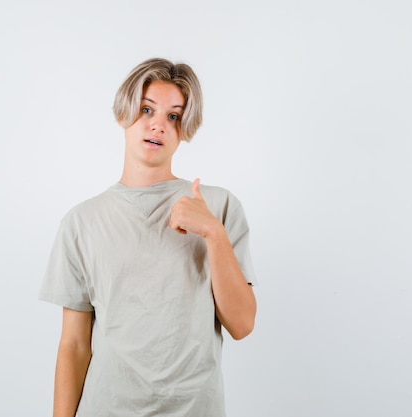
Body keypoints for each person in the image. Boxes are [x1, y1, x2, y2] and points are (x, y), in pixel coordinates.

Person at [39, 58, 257, 417]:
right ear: (123, 113)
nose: (158, 125)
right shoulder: (81, 222)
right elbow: (75, 345)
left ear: (185, 128)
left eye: (174, 116)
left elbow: (242, 324)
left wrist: (213, 234)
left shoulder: (218, 206)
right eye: (146, 109)